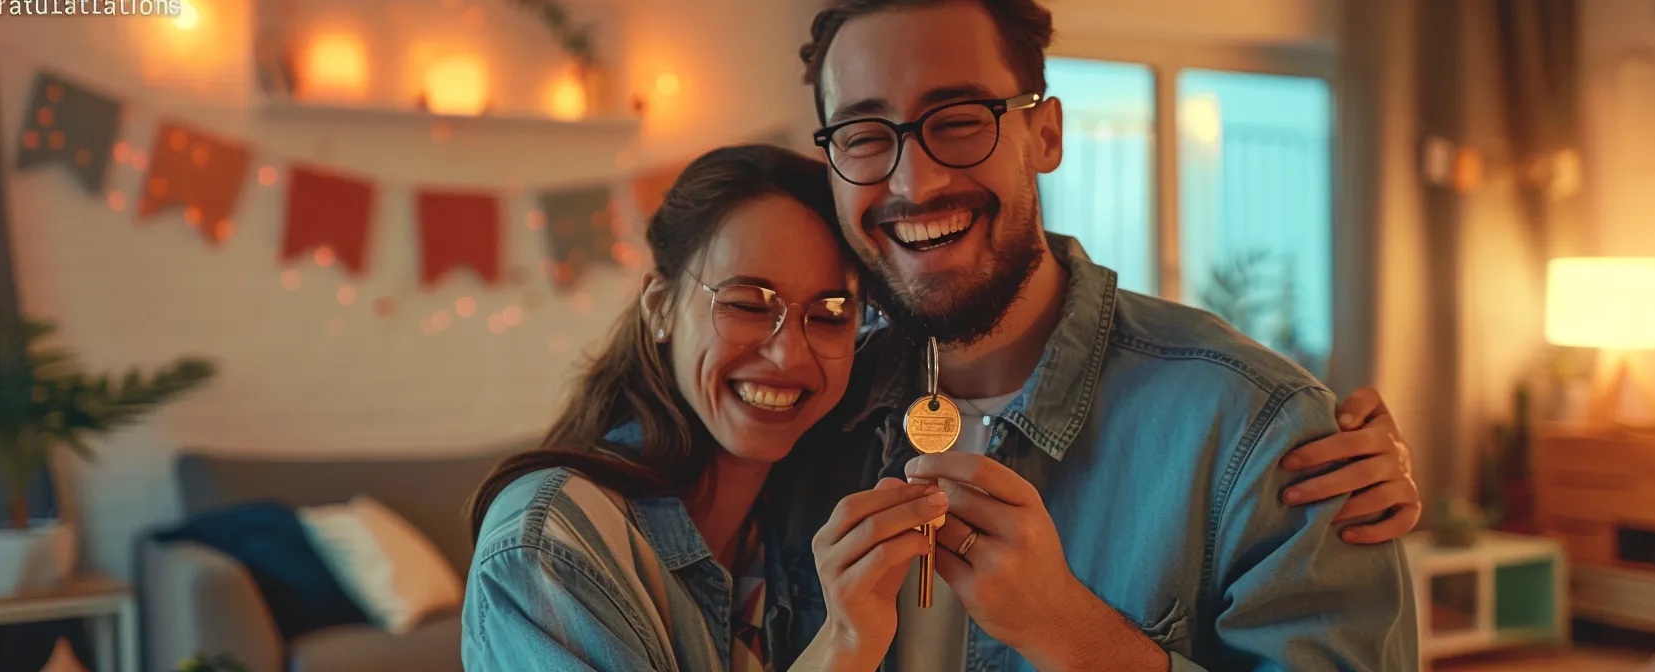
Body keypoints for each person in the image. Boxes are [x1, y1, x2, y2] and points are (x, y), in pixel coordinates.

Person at [459, 143, 1417, 670]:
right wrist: (839, 647)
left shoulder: (818, 465)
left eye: (832, 312)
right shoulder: (554, 543)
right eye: (747, 301)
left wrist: (1313, 425)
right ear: (662, 303)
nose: (790, 351)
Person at [784, 0, 1420, 670]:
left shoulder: (1262, 437)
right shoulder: (806, 416)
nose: (915, 180)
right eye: (862, 136)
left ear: (1046, 135)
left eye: (961, 121)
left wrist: (1073, 634)